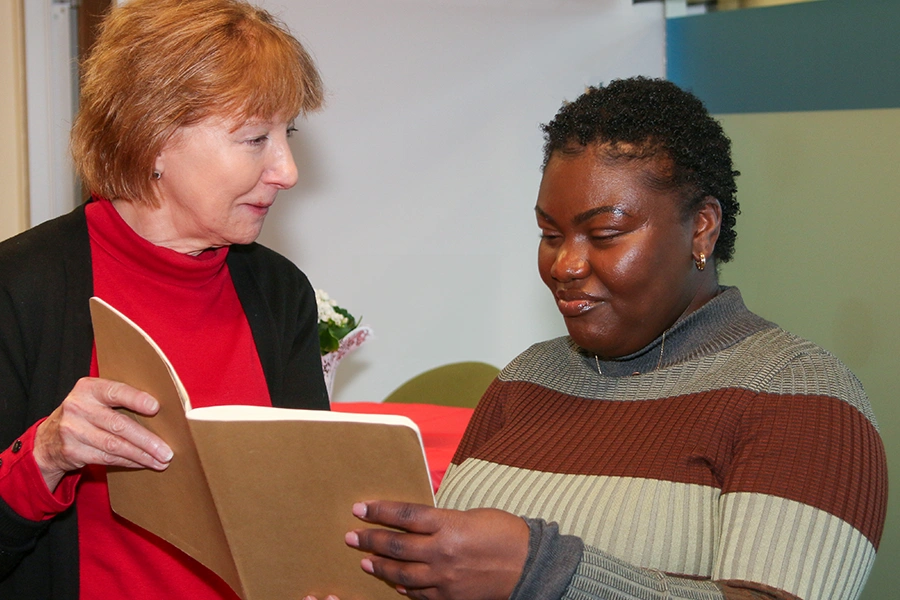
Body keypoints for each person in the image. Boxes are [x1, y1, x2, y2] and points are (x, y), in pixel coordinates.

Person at [336, 77, 888, 600]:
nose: (565, 264)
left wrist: (544, 572)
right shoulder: (527, 378)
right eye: (550, 235)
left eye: (605, 234)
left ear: (702, 227)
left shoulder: (800, 393)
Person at [0, 1, 328, 598]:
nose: (287, 170)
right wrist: (44, 456)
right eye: (256, 138)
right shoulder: (18, 289)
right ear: (151, 136)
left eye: (288, 135)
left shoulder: (280, 295)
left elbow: (308, 514)